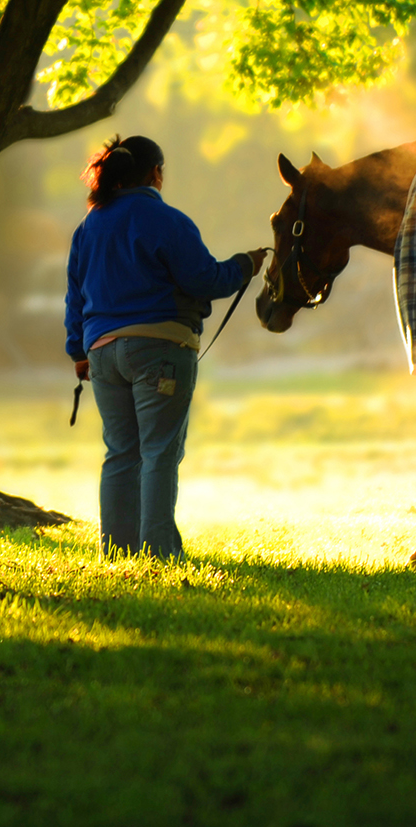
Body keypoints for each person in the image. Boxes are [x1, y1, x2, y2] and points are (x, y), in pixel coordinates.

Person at [64, 134, 269, 558]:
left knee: (120, 452)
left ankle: (117, 554)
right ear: (155, 173)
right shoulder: (168, 221)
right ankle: (158, 554)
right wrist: (244, 265)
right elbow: (204, 281)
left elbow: (75, 297)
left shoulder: (89, 226)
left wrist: (78, 352)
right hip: (159, 350)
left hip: (101, 353)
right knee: (158, 451)